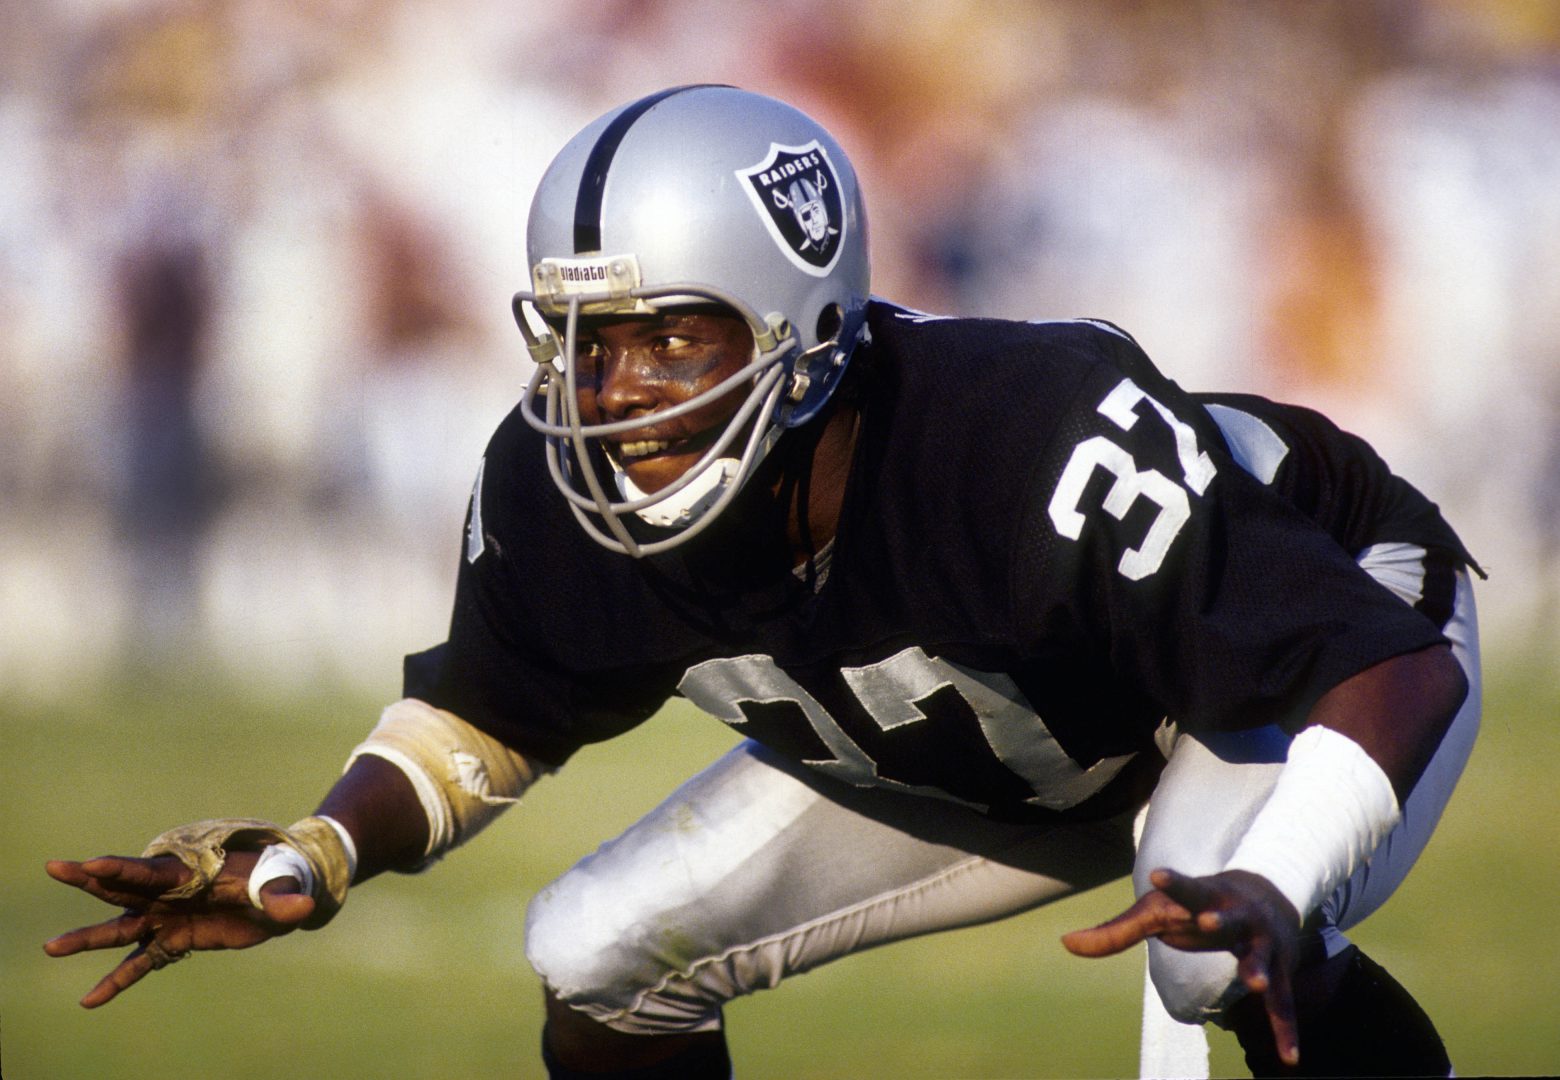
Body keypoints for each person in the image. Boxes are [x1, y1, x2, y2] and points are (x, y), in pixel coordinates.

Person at [46, 85, 1483, 1079]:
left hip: (1333, 622)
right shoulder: (564, 486)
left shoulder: (1020, 435)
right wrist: (321, 851)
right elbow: (492, 710)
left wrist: (1282, 884)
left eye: (669, 337)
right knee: (598, 951)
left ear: (800, 319)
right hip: (1040, 743)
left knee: (1210, 956)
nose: (616, 394)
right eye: (584, 343)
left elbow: (1387, 666)